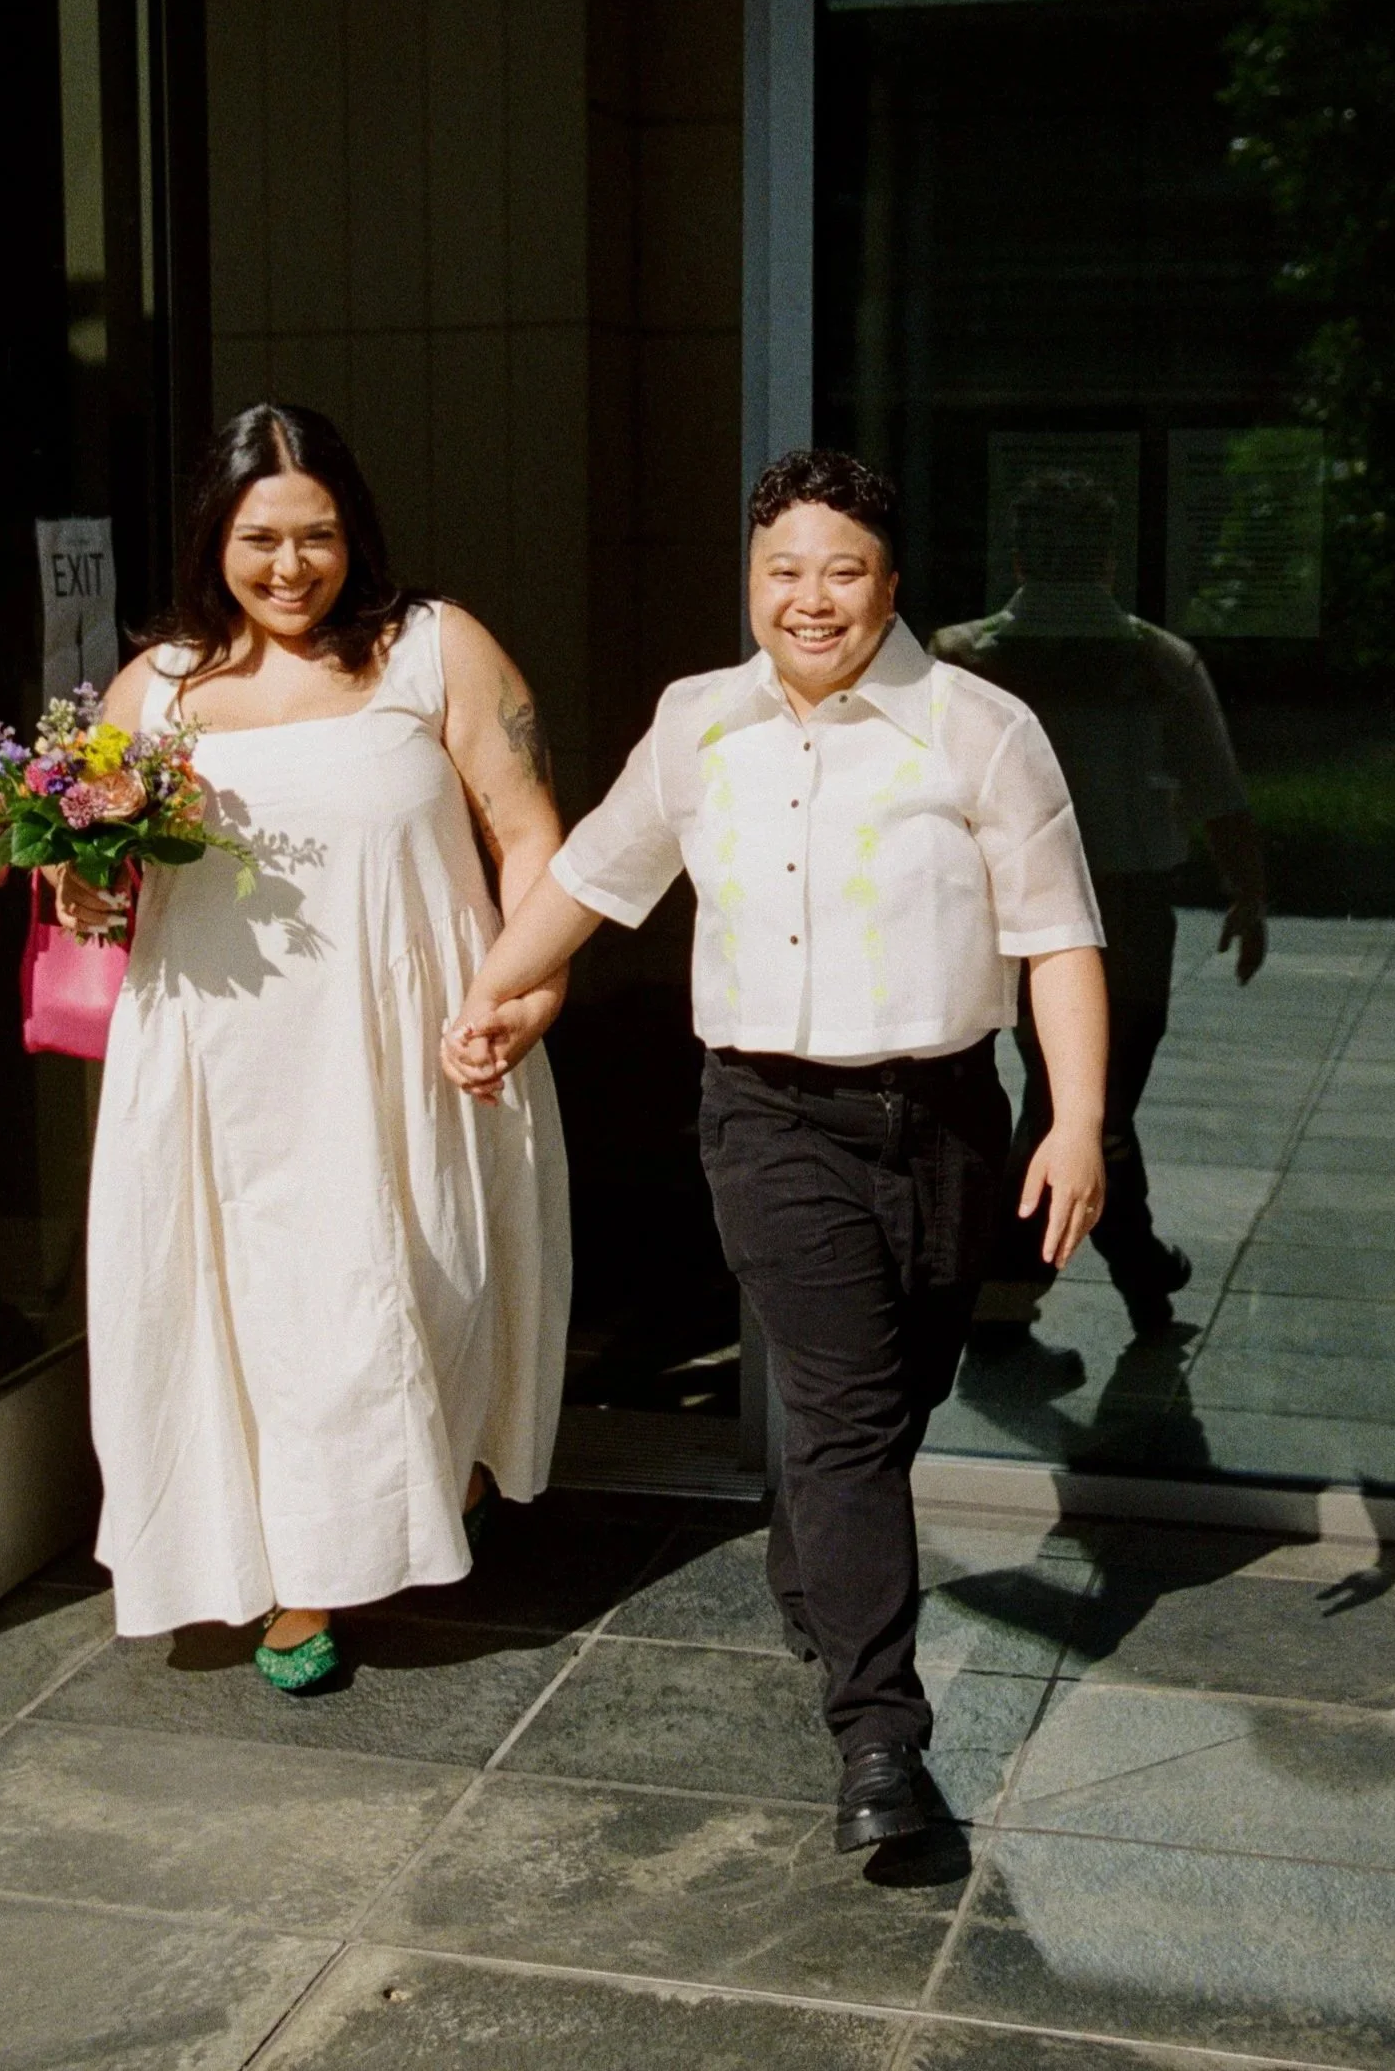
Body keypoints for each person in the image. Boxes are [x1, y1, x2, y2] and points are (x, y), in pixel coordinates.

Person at [441, 448, 1107, 1853]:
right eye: (782, 571)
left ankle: (816, 1577)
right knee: (852, 1406)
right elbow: (593, 877)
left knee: (893, 1389)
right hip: (767, 1117)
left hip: (942, 1121)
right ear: (751, 580)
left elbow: (1057, 933)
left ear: (892, 584)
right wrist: (496, 995)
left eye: (843, 571)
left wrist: (1078, 1119)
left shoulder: (977, 727)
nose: (810, 601)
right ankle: (880, 1741)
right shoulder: (700, 723)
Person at [51, 403, 571, 1691]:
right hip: (220, 1064)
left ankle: (399, 1506)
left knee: (404, 1283)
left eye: (318, 535)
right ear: (211, 539)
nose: (291, 566)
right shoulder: (156, 687)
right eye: (260, 537)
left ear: (357, 532)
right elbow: (98, 879)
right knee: (248, 1310)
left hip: (406, 1042)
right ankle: (292, 1580)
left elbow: (534, 838)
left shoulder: (432, 650)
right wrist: (76, 882)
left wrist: (525, 989)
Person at [930, 468, 1267, 1339]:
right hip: (1125, 909)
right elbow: (1216, 788)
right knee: (1085, 1103)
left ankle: (1099, 1280)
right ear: (1110, 560)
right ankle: (1078, 1285)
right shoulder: (1158, 662)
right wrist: (1248, 891)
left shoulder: (963, 657)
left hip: (1002, 907)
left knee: (1073, 1098)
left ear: (1017, 554)